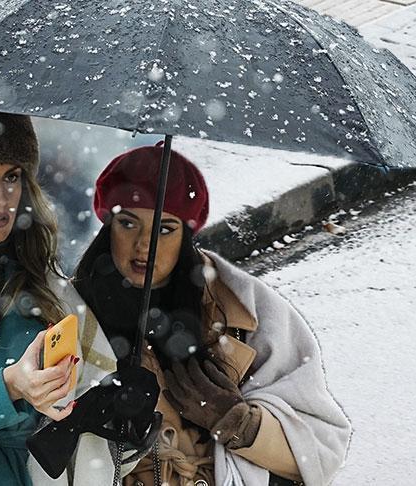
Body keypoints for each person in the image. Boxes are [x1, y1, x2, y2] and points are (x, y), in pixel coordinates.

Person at [73, 143, 351, 486]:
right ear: (108, 226)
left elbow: (320, 450)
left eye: (165, 229)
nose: (144, 244)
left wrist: (235, 421)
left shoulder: (247, 311)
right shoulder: (68, 312)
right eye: (128, 223)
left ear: (186, 234)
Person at [0, 109, 134, 485]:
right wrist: (7, 386)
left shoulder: (47, 284)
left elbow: (91, 401)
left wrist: (118, 409)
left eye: (12, 176)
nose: (1, 197)